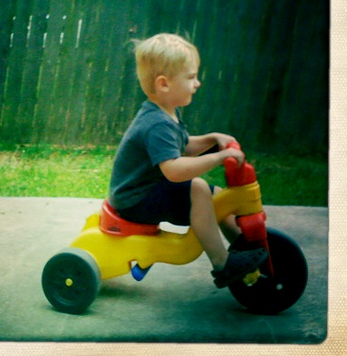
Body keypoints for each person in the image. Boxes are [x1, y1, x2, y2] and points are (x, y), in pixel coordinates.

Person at [108, 33, 267, 288]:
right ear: (164, 84)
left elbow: (181, 146)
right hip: (135, 201)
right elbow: (173, 169)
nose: (198, 83)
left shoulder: (165, 113)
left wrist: (212, 139)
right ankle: (222, 263)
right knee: (198, 188)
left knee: (217, 197)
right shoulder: (156, 124)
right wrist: (218, 156)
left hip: (149, 192)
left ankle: (244, 248)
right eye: (191, 77)